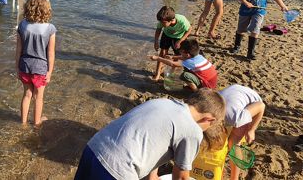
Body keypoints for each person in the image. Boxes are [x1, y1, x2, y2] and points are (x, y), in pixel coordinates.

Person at [74, 89, 226, 180]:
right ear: (209, 119)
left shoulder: (163, 102)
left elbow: (149, 139)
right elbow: (181, 177)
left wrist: (152, 175)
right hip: (118, 170)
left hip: (93, 149)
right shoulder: (192, 130)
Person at [15, 0, 56, 126]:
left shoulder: (22, 25)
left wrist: (17, 67)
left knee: (27, 94)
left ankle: (23, 122)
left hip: (25, 65)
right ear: (46, 11)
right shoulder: (50, 29)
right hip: (40, 67)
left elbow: (18, 49)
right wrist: (49, 71)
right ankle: (37, 122)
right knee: (39, 97)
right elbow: (51, 53)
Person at [219, 84, 265, 180]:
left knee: (234, 143)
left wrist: (251, 130)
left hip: (252, 102)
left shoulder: (237, 118)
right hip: (232, 95)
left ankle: (234, 178)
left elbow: (261, 106)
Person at [148, 39, 218, 91]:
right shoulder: (198, 56)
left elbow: (172, 64)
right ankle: (195, 86)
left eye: (181, 52)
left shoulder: (191, 62)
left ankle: (196, 92)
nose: (180, 54)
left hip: (208, 86)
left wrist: (158, 58)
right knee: (187, 69)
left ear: (187, 54)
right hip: (212, 81)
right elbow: (184, 57)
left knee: (185, 75)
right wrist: (173, 57)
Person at [153, 6, 192, 81]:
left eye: (163, 22)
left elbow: (189, 29)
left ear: (171, 20)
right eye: (160, 21)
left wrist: (180, 41)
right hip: (166, 35)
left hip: (178, 37)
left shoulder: (182, 20)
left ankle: (171, 72)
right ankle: (158, 73)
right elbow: (158, 30)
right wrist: (156, 41)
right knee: (162, 53)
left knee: (178, 55)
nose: (161, 23)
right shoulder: (163, 19)